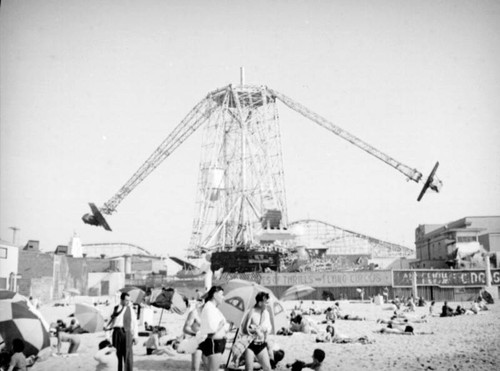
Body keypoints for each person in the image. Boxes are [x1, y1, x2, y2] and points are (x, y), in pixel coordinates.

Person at [198, 286, 227, 371]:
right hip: (214, 343)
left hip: (218, 343)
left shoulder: (213, 308)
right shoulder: (209, 308)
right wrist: (221, 325)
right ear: (215, 295)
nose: (223, 297)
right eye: (222, 294)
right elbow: (211, 330)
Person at [108, 292, 138, 371]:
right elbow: (109, 323)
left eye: (129, 300)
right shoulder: (114, 309)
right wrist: (107, 336)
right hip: (116, 333)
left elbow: (135, 323)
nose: (128, 302)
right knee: (117, 355)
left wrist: (135, 336)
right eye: (126, 300)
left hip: (127, 333)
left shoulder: (130, 309)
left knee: (128, 355)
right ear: (121, 300)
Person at [243, 291, 273, 371]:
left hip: (261, 344)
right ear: (260, 303)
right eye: (266, 302)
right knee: (249, 368)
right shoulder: (251, 312)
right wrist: (254, 330)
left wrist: (265, 329)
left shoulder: (266, 313)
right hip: (250, 344)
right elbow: (244, 329)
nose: (267, 304)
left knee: (268, 368)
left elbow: (269, 327)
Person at [182, 299, 203, 371]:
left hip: (210, 342)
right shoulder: (194, 313)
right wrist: (195, 334)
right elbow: (185, 328)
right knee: (195, 368)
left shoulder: (214, 313)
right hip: (197, 341)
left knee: (208, 367)